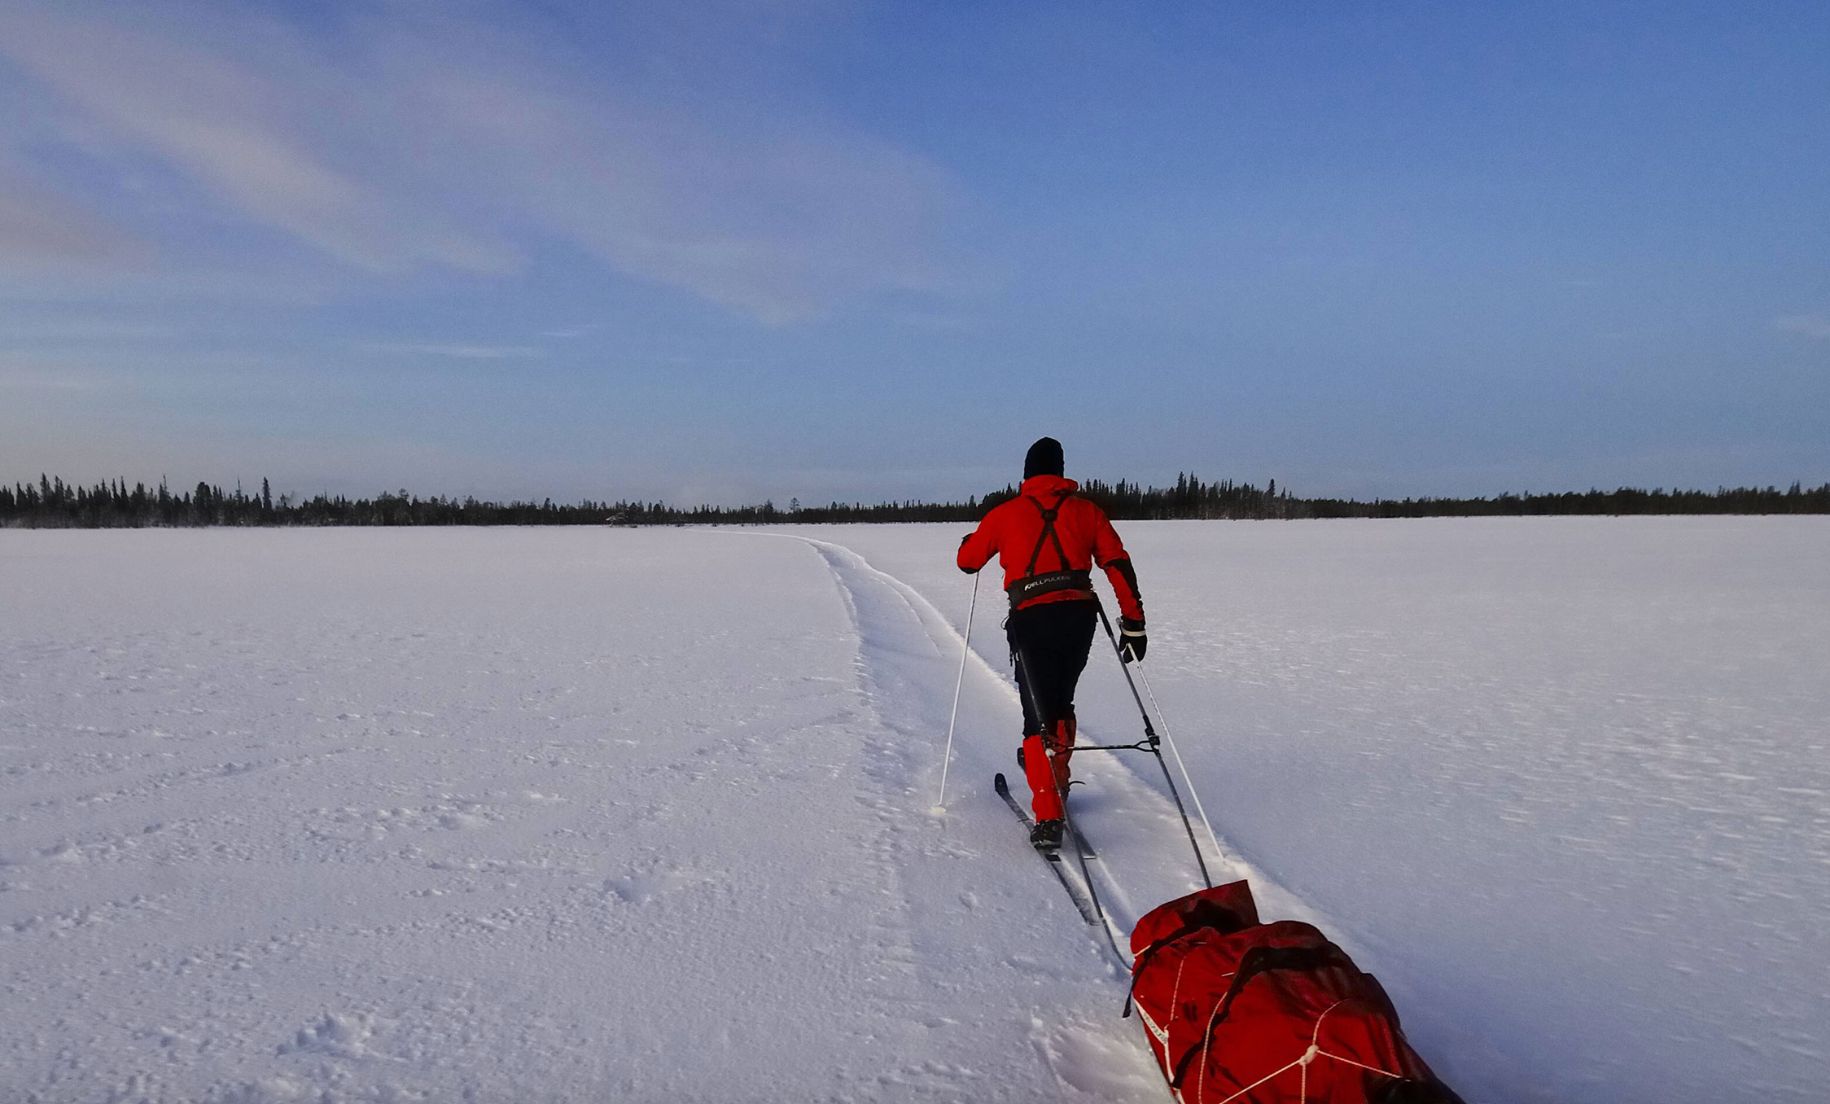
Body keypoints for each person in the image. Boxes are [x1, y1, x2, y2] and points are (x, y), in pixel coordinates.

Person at [956, 436, 1147, 849]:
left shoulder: (1005, 514)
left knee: (1036, 713)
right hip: (1080, 619)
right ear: (1060, 472)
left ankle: (1048, 813)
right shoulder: (1087, 511)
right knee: (1060, 701)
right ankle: (1054, 777)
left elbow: (968, 561)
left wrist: (968, 541)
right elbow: (1117, 562)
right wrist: (1134, 622)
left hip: (1031, 620)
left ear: (1026, 474)